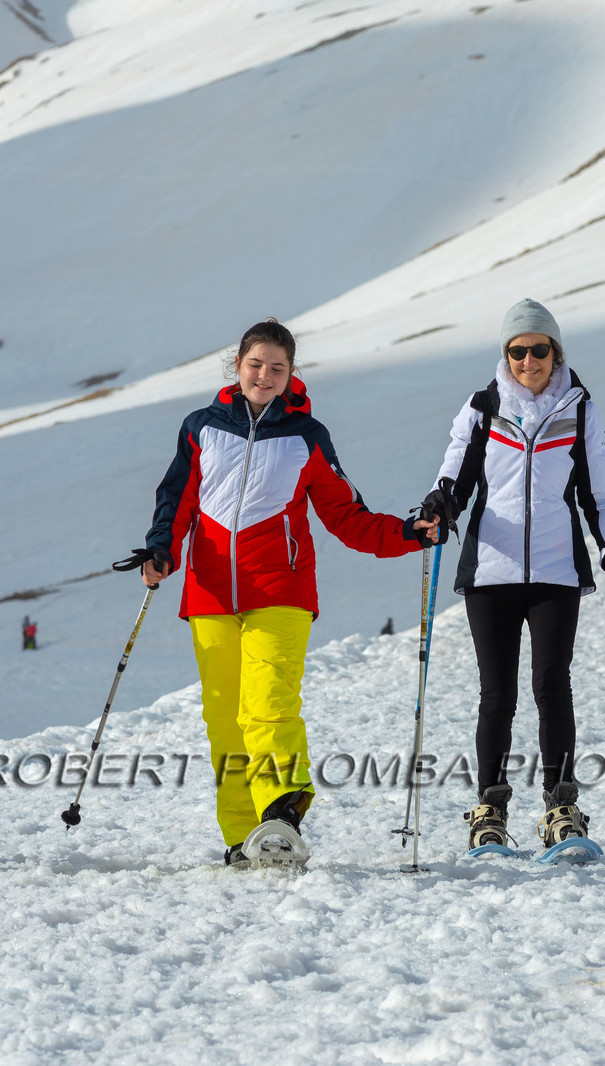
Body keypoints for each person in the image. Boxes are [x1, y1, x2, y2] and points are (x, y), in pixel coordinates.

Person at [121, 318, 436, 868]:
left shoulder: (306, 436)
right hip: (210, 593)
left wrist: (407, 534)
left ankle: (283, 813)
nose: (264, 376)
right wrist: (159, 550)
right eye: (255, 365)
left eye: (277, 368)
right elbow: (176, 500)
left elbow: (347, 516)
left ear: (291, 375)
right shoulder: (201, 427)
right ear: (237, 366)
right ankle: (242, 836)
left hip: (281, 590)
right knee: (224, 718)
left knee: (268, 706)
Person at [419, 298, 605, 854]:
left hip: (556, 573)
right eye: (517, 351)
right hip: (491, 572)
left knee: (551, 686)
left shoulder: (580, 410)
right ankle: (489, 811)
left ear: (555, 351)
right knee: (497, 695)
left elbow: (599, 497)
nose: (528, 360)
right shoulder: (481, 408)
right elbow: (455, 481)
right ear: (506, 354)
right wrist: (440, 506)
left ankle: (561, 808)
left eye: (539, 349)